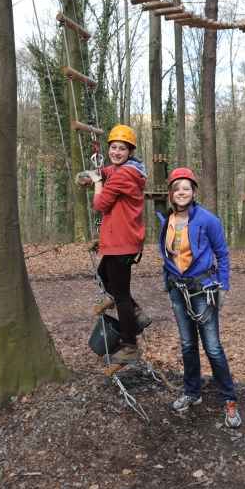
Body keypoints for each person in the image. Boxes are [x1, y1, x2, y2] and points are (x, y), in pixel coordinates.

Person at [156, 168, 241, 429]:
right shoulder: (167, 220)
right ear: (171, 193)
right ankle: (192, 392)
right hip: (178, 291)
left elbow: (222, 254)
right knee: (187, 345)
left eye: (186, 188)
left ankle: (229, 399)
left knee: (213, 347)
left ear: (194, 192)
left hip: (203, 292)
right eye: (176, 188)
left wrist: (222, 286)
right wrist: (168, 284)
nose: (181, 192)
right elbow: (170, 257)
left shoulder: (208, 220)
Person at [89, 125, 151, 365]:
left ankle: (129, 346)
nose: (116, 152)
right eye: (113, 148)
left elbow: (101, 204)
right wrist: (96, 172)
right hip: (125, 239)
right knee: (103, 274)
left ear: (130, 151)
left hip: (121, 241)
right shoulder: (126, 169)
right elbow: (108, 170)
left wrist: (96, 181)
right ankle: (135, 313)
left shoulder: (124, 175)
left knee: (122, 296)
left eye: (121, 149)